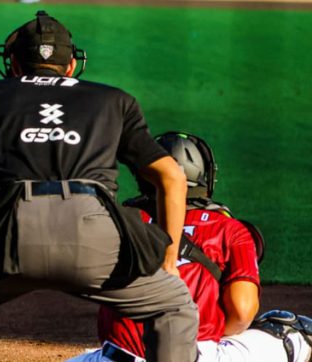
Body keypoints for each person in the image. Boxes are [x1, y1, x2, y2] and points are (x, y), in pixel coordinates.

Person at [0, 10, 198, 362]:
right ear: (71, 65)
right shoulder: (114, 100)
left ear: (13, 64)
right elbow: (172, 176)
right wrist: (169, 260)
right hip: (96, 238)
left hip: (10, 236)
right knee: (173, 306)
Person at [68, 132, 312, 362]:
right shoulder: (229, 229)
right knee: (293, 329)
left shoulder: (119, 223)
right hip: (195, 356)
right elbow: (241, 312)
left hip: (114, 357)